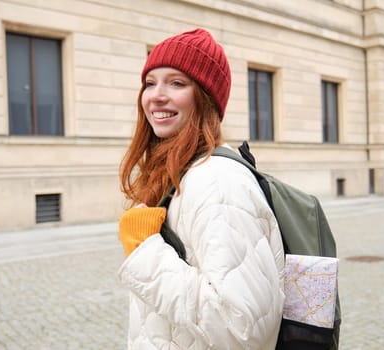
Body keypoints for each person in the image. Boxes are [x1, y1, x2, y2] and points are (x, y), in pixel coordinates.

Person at [116, 28, 286, 349]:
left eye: (177, 83)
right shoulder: (179, 171)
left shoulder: (217, 182)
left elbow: (243, 331)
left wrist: (145, 251)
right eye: (150, 83)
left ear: (205, 99)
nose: (156, 95)